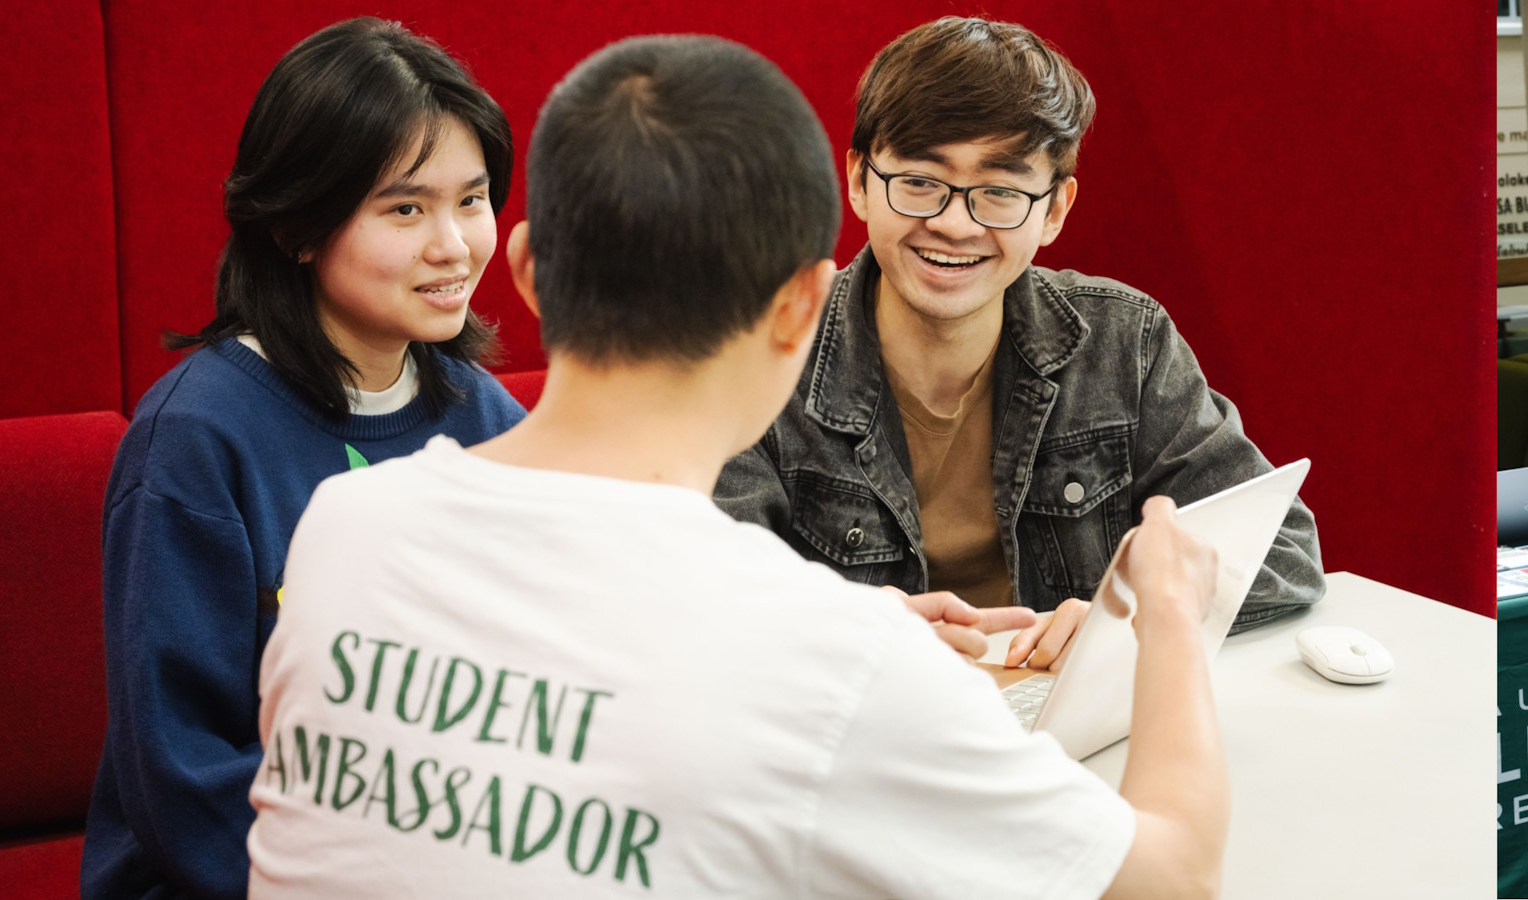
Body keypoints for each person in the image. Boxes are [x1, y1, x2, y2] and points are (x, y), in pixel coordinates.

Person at [245, 35, 1230, 897]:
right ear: (804, 305)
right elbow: (1171, 875)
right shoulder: (830, 664)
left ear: (530, 268)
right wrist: (1172, 614)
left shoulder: (338, 527)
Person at [714, 17, 1319, 671]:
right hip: (860, 723)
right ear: (859, 180)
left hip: (1064, 720)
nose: (952, 223)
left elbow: (1282, 550)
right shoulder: (762, 353)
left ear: (1055, 209)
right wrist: (850, 632)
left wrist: (1128, 622)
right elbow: (699, 590)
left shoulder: (1125, 343)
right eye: (919, 182)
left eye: (999, 192)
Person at [81, 19, 528, 898]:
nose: (454, 245)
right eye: (406, 208)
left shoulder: (488, 417)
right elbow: (186, 780)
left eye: (471, 200)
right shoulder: (194, 444)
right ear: (295, 227)